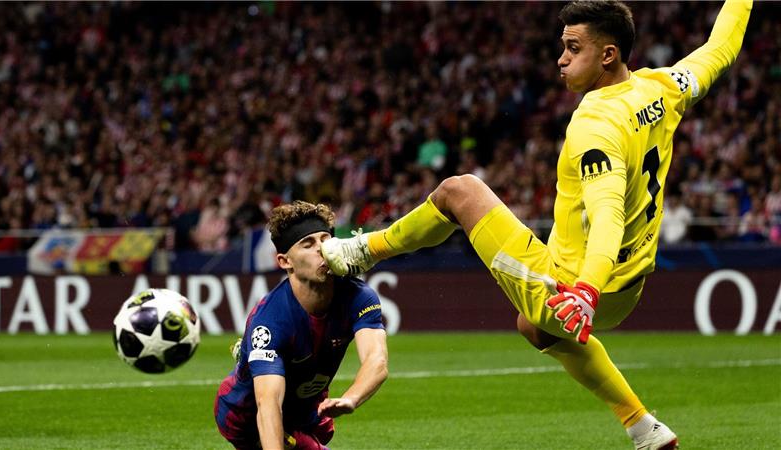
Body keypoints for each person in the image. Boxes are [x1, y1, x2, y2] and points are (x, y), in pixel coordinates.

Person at [320, 1, 752, 449]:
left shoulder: (596, 124)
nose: (561, 59)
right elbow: (720, 48)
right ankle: (643, 427)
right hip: (628, 287)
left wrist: (585, 292)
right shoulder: (664, 86)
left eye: (573, 48)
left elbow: (607, 215)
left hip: (571, 290)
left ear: (608, 55)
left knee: (459, 192)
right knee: (534, 327)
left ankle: (361, 252)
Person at [215, 201, 388, 450]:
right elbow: (268, 404)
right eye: (308, 244)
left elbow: (376, 359)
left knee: (323, 430)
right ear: (285, 261)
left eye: (325, 239)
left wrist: (352, 398)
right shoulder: (270, 320)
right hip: (247, 416)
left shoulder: (358, 296)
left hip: (307, 410)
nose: (322, 249)